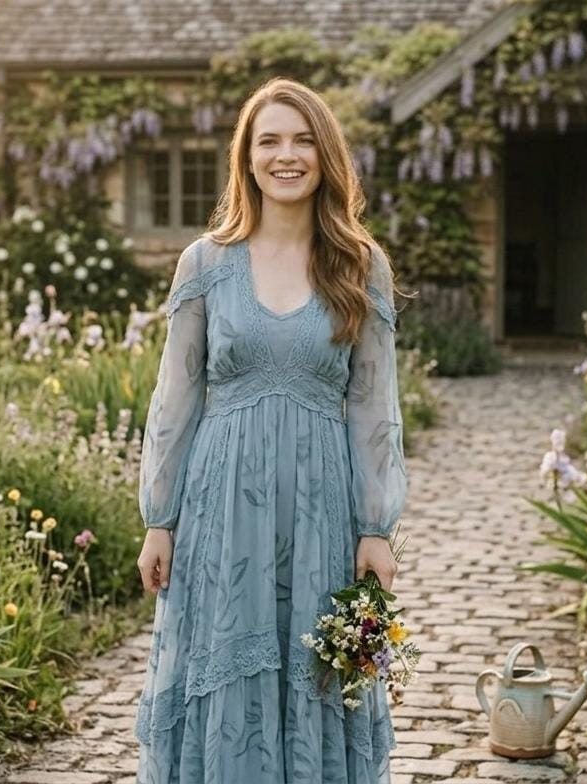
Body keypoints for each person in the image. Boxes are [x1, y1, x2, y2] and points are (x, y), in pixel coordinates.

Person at [134, 76, 409, 784]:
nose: (286, 156)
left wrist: (375, 527)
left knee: (317, 671)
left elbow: (374, 405)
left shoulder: (359, 265)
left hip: (323, 510)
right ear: (246, 157)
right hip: (219, 509)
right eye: (269, 141)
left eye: (301, 140)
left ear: (324, 155)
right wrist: (158, 519)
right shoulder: (205, 263)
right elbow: (175, 397)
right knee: (225, 667)